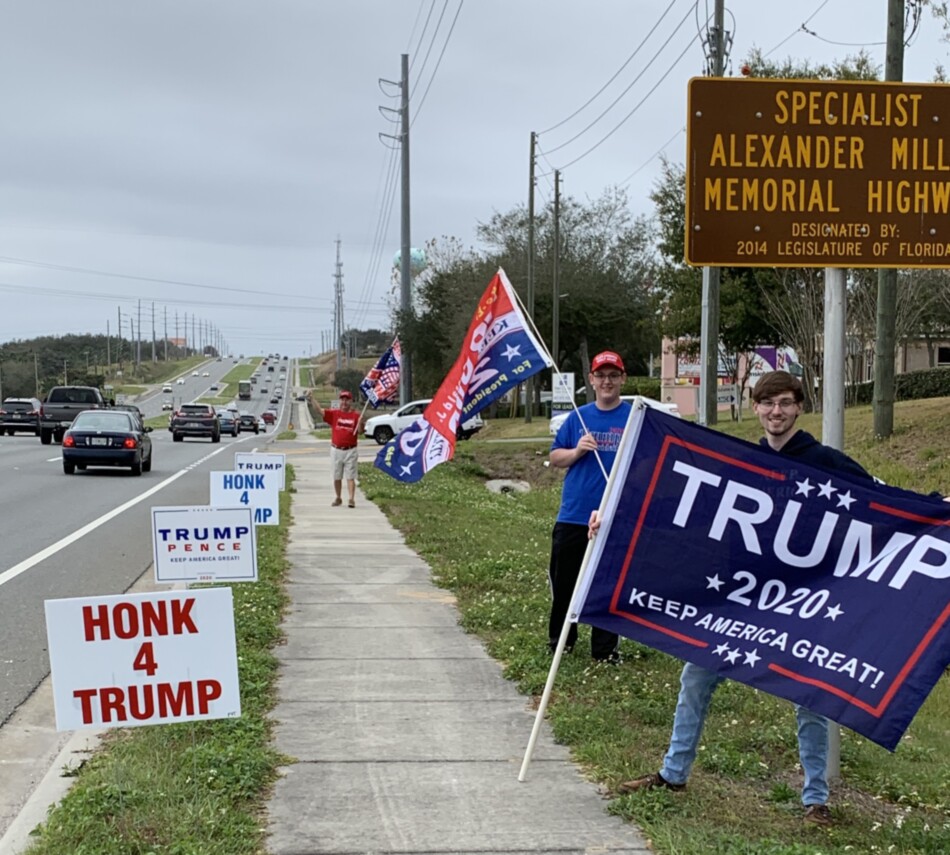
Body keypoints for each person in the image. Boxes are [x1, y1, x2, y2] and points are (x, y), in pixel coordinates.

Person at [615, 370, 877, 827]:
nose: (777, 411)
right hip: (742, 599)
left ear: (799, 407)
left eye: (786, 402)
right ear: (755, 407)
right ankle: (673, 774)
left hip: (804, 602)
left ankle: (816, 799)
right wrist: (612, 517)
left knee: (811, 699)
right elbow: (681, 506)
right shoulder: (741, 461)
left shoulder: (826, 463)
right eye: (768, 402)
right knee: (695, 679)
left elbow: (884, 501)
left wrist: (935, 513)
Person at [547, 350, 631, 663]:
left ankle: (605, 650)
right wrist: (578, 450)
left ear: (622, 379)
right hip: (574, 515)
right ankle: (561, 643)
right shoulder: (578, 418)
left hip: (613, 516)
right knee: (565, 583)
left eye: (613, 375)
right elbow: (556, 458)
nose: (607, 381)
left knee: (606, 586)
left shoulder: (633, 417)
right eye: (601, 376)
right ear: (592, 381)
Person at [309, 389, 362, 508]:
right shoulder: (334, 414)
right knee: (336, 476)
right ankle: (338, 497)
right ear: (340, 401)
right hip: (336, 450)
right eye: (342, 399)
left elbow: (360, 431)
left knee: (350, 476)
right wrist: (312, 399)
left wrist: (360, 423)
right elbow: (319, 411)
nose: (344, 402)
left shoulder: (356, 416)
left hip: (351, 450)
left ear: (351, 401)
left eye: (347, 400)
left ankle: (351, 499)